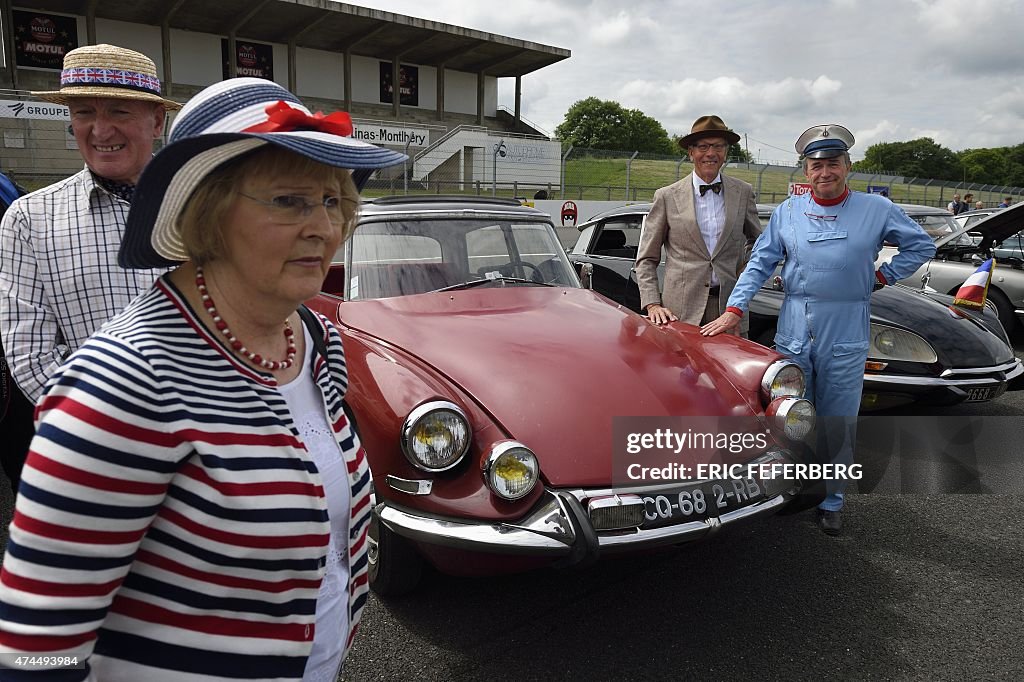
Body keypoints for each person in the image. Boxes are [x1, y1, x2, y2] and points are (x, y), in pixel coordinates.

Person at [0, 78, 408, 679]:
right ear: (206, 213)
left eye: (333, 202)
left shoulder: (313, 338)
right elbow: (36, 641)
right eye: (290, 201)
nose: (325, 227)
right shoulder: (122, 381)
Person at [700, 124, 935, 536]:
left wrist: (881, 277)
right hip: (794, 325)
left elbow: (922, 246)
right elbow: (760, 262)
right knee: (787, 415)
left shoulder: (877, 210)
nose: (823, 172)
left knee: (837, 418)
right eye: (815, 166)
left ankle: (832, 499)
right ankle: (786, 488)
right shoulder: (789, 212)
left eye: (831, 164)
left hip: (845, 326)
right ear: (805, 172)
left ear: (847, 167)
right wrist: (735, 308)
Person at [0, 44, 179, 491]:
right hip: (96, 458)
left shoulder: (202, 206)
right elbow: (30, 355)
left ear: (157, 121)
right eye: (84, 112)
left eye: (119, 110)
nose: (101, 130)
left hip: (207, 451)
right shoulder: (29, 218)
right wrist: (112, 438)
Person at [635, 115, 761, 335]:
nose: (711, 153)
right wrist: (653, 304)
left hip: (729, 312)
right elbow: (646, 259)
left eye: (718, 146)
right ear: (691, 152)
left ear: (726, 152)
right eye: (703, 146)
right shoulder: (666, 196)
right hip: (678, 314)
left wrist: (745, 272)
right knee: (679, 370)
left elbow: (758, 243)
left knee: (727, 370)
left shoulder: (743, 192)